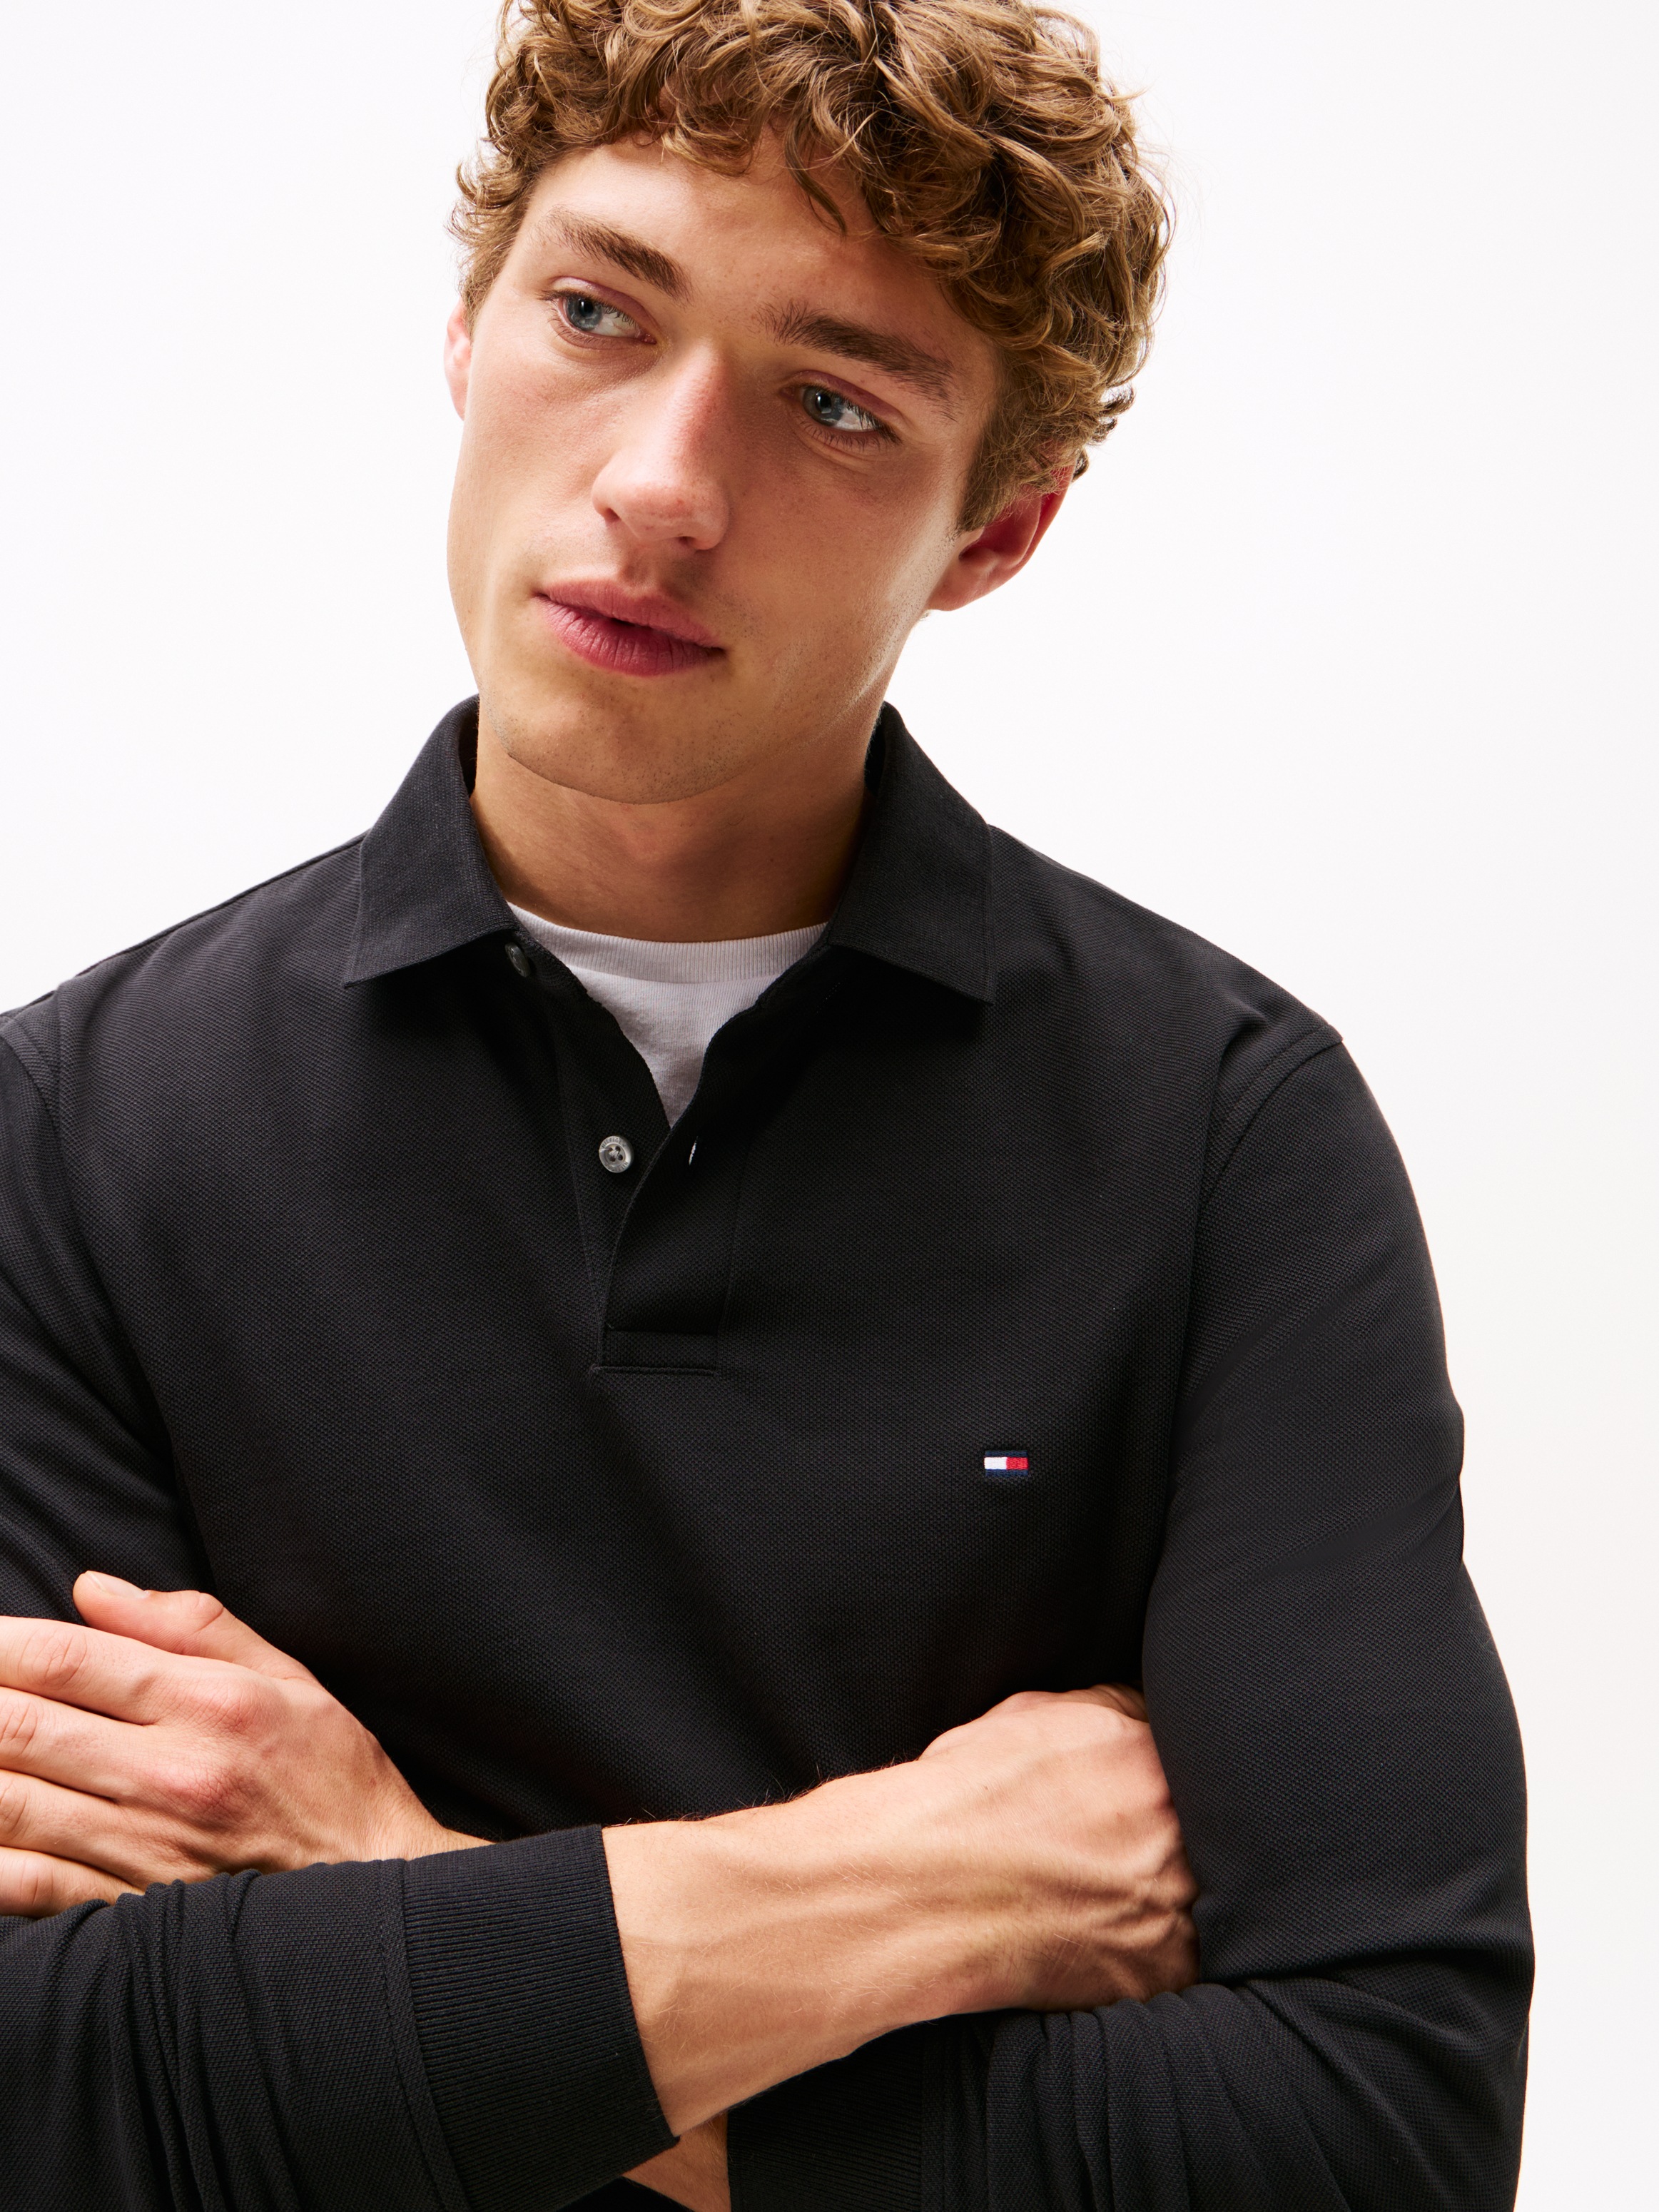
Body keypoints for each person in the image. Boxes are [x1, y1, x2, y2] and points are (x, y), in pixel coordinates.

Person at [0, 2, 1531, 2208]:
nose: (660, 484)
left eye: (835, 404)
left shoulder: (1226, 1134)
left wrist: (374, 1877)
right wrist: (916, 1878)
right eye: (598, 312)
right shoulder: (66, 1128)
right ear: (467, 327)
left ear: (997, 529)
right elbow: (49, 2093)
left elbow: (1373, 2135)